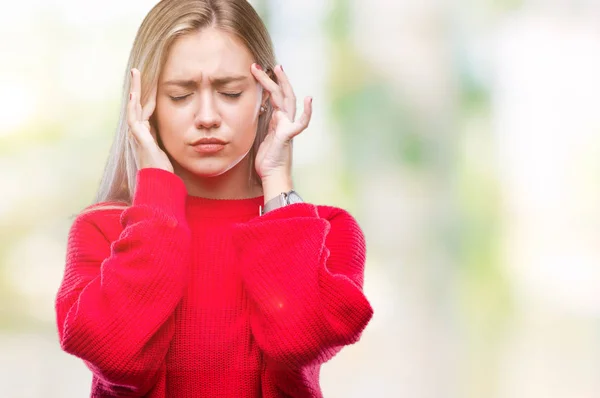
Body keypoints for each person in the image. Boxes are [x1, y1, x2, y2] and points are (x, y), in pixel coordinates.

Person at [54, 0, 373, 397]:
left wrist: (277, 180)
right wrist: (155, 196)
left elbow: (300, 343)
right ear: (144, 105)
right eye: (180, 95)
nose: (207, 116)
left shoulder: (326, 232)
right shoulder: (101, 230)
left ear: (264, 96)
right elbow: (120, 359)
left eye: (229, 91)